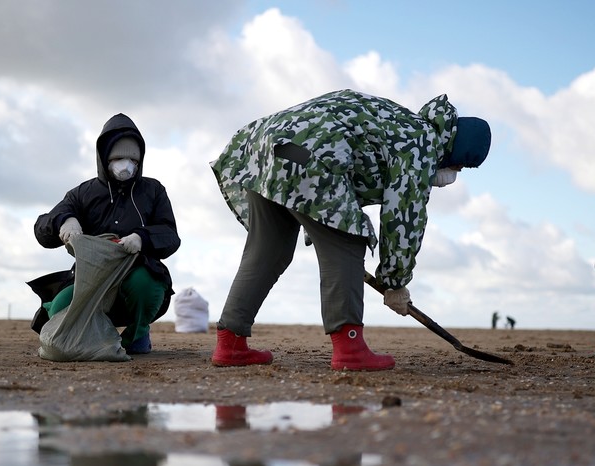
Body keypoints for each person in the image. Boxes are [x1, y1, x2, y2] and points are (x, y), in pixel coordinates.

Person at [208, 89, 491, 370]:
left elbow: (343, 172)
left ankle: (230, 342)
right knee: (348, 239)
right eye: (461, 166)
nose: (455, 173)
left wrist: (317, 219)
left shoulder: (400, 123)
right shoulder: (422, 143)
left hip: (269, 146)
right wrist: (395, 282)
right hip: (308, 153)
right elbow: (403, 216)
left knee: (269, 249)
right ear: (456, 150)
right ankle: (350, 348)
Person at [32, 113, 180, 355]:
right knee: (60, 305)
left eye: (133, 158)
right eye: (119, 157)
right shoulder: (82, 194)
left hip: (135, 276)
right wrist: (64, 220)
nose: (127, 164)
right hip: (90, 280)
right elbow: (41, 229)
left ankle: (138, 334)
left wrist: (143, 238)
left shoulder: (153, 190)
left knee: (147, 286)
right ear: (104, 157)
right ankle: (87, 329)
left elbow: (170, 235)